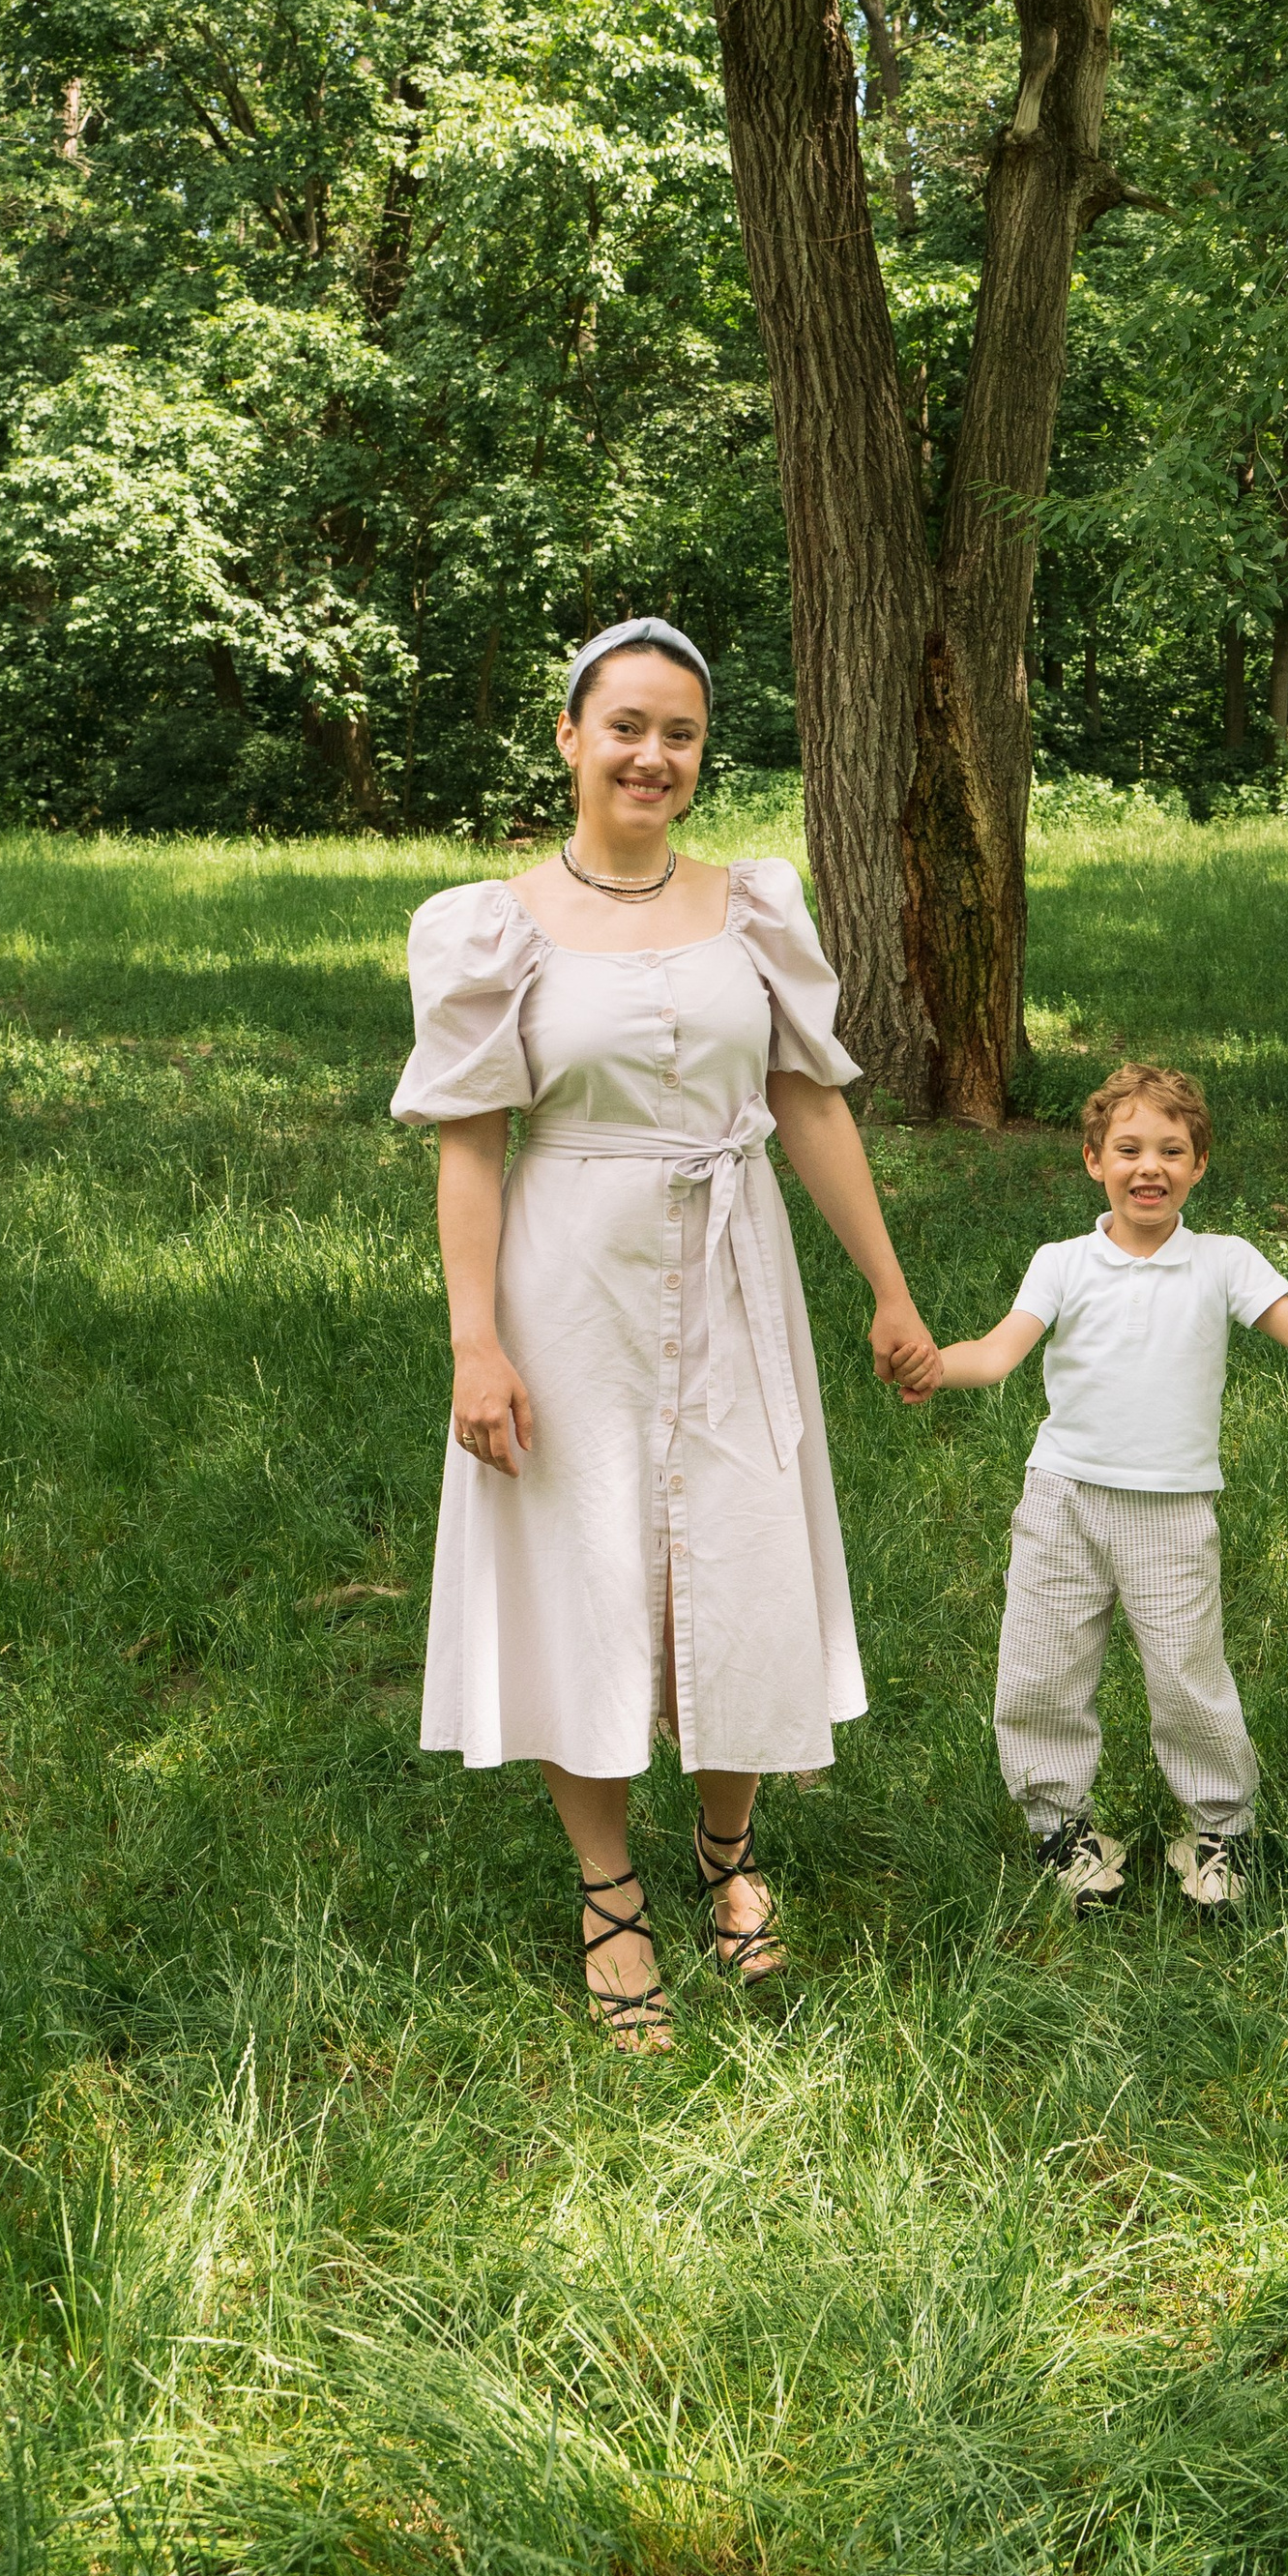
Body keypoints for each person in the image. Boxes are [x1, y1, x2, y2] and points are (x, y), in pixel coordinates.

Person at [392, 617, 939, 2047]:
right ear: (570, 739)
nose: (652, 754)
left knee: (741, 1551)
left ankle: (730, 1858)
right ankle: (610, 1891)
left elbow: (809, 1100)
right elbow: (471, 1144)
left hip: (737, 1261)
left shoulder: (752, 906)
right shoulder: (490, 926)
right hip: (570, 1281)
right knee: (592, 1566)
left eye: (680, 734)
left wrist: (885, 1285)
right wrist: (474, 1341)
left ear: (702, 756)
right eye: (625, 725)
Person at [905, 1060, 1288, 1913]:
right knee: (1040, 1669)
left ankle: (1217, 1831)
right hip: (1062, 1500)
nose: (1150, 1167)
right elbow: (995, 1355)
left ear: (1199, 1165)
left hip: (1173, 1511)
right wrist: (933, 1364)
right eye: (1129, 1148)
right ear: (1092, 1160)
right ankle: (1061, 1828)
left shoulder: (1224, 1261)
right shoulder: (1062, 1262)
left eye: (1171, 1151)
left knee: (1187, 1676)